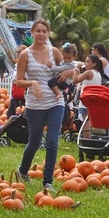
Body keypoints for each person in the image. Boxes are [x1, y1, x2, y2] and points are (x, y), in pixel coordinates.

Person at [14, 19, 74, 193]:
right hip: (35, 105)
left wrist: (69, 71)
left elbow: (68, 68)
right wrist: (32, 82)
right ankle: (23, 171)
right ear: (32, 33)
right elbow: (18, 81)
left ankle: (48, 182)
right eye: (38, 31)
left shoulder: (54, 51)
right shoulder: (25, 54)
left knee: (53, 141)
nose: (41, 34)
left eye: (44, 31)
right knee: (34, 142)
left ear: (48, 34)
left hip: (56, 102)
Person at [72, 54, 105, 135]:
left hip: (85, 101)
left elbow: (75, 80)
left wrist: (76, 68)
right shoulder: (98, 73)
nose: (85, 64)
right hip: (93, 101)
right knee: (89, 122)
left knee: (85, 123)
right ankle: (88, 139)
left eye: (88, 62)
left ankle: (86, 141)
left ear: (94, 64)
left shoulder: (88, 72)